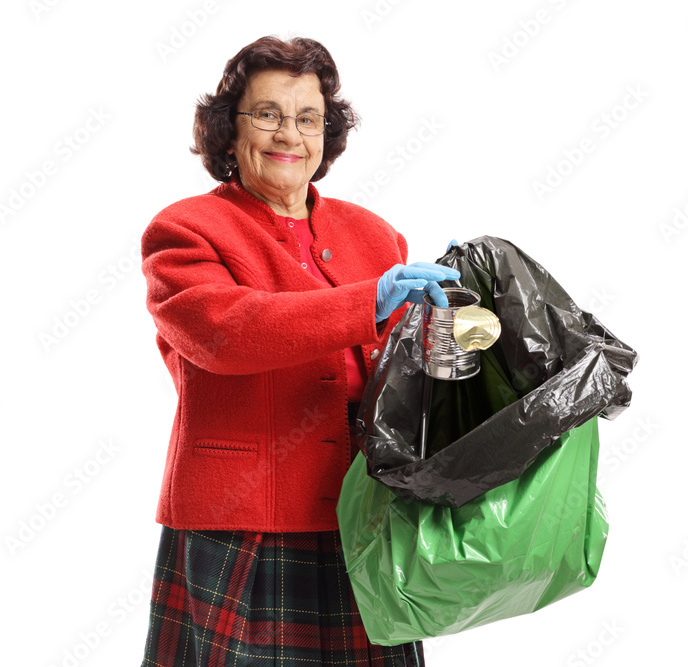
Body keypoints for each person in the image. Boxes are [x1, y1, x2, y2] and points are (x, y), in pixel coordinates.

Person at [138, 35, 460, 666]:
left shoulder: (375, 234)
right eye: (267, 115)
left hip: (365, 523)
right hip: (242, 526)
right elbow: (226, 332)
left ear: (326, 135)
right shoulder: (184, 229)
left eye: (307, 118)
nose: (288, 133)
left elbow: (409, 376)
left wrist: (461, 336)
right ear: (227, 132)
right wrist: (367, 303)